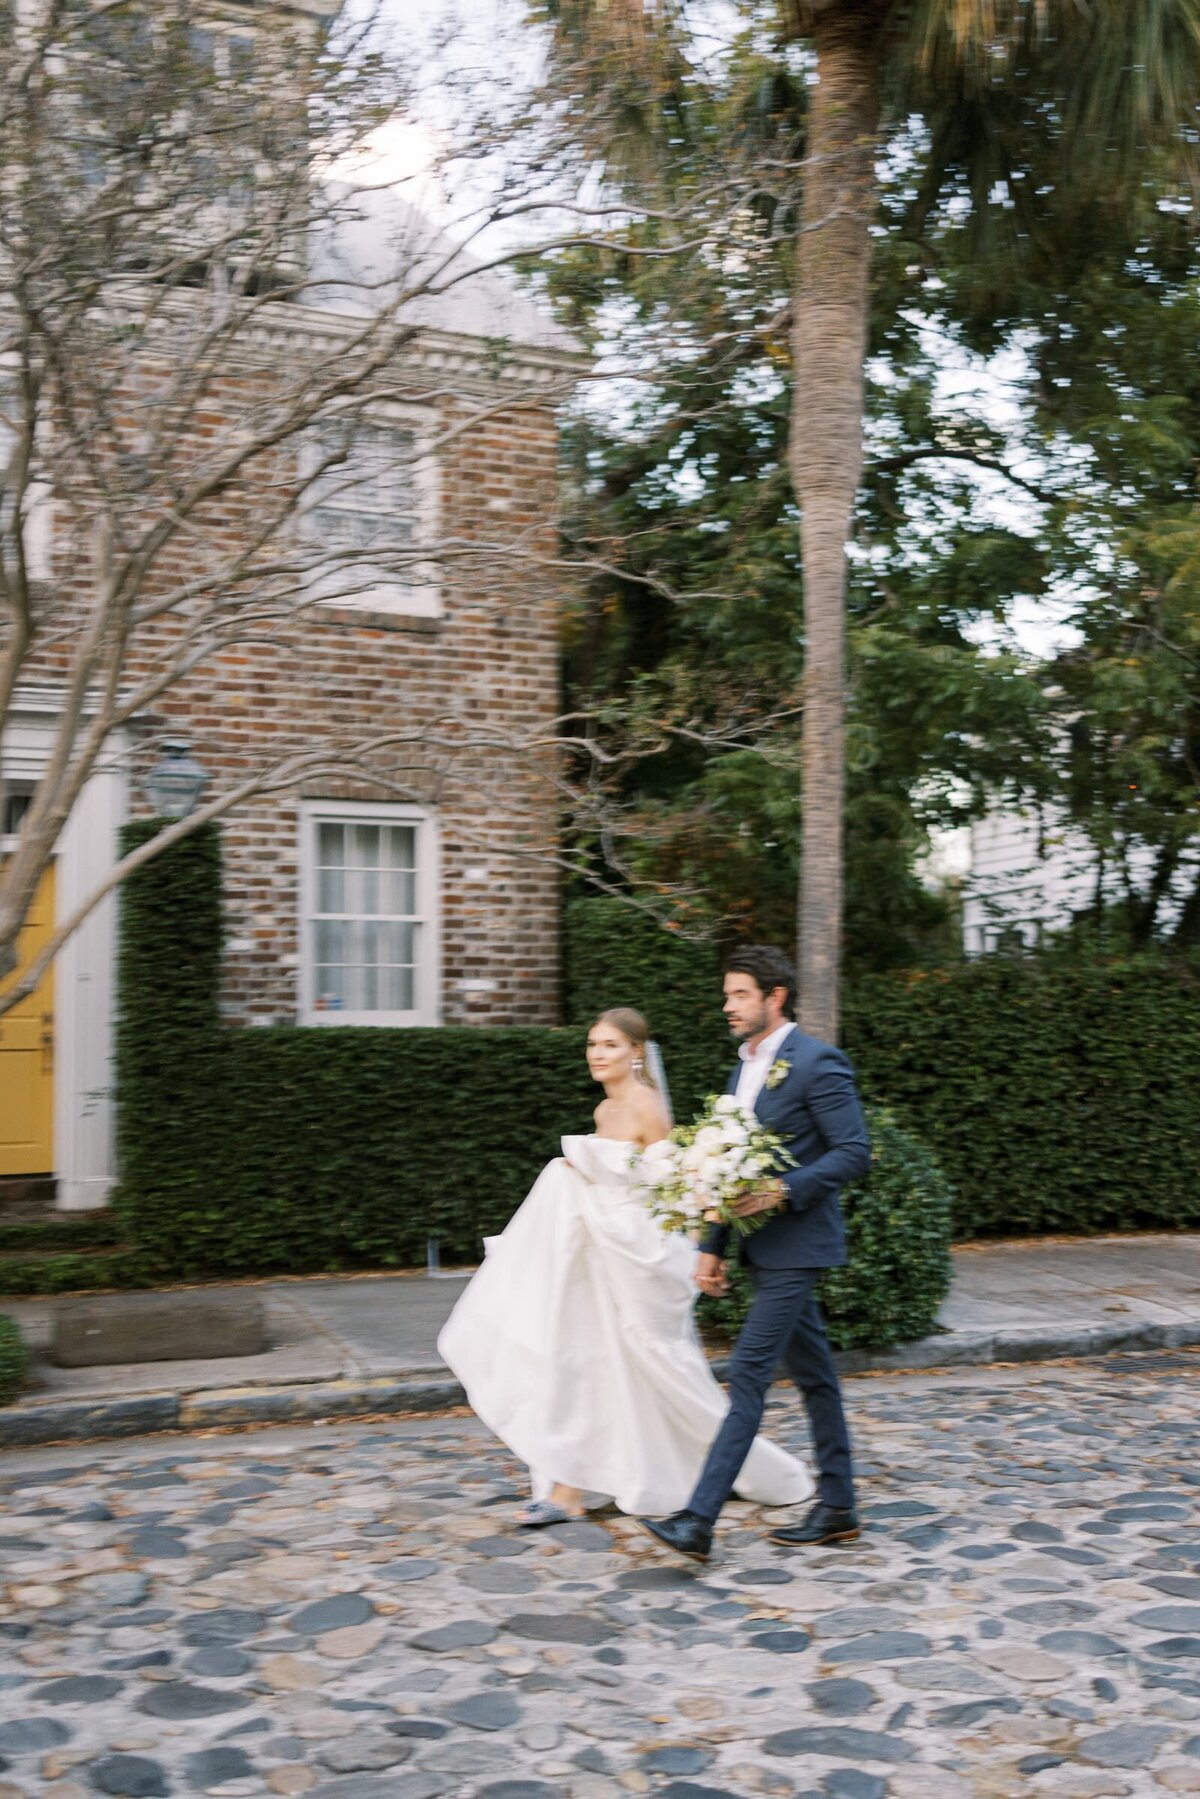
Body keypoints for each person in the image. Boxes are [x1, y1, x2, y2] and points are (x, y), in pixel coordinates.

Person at [437, 1006, 813, 1526]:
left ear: (636, 1052)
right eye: (593, 1045)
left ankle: (709, 1471)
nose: (597, 1054)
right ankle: (568, 1488)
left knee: (650, 1370)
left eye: (610, 1045)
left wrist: (703, 1244)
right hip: (593, 1257)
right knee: (585, 1366)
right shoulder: (604, 1111)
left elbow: (670, 1191)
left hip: (635, 1255)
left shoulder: (645, 1106)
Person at [638, 946, 870, 1561]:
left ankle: (698, 1519)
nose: (728, 1006)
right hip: (758, 1248)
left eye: (739, 994)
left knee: (746, 1373)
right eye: (727, 995)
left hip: (799, 1244)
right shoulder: (738, 1072)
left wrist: (783, 1190)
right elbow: (721, 1173)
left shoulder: (819, 1063)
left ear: (775, 997)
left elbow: (853, 1151)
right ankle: (839, 1505)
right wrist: (712, 1247)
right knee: (817, 1376)